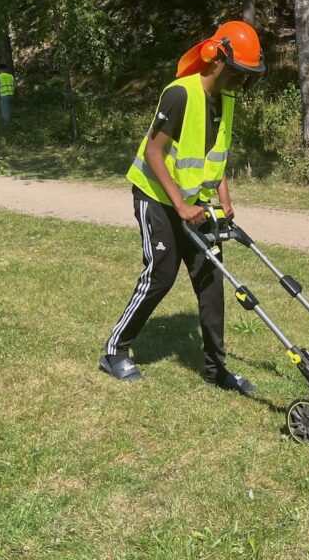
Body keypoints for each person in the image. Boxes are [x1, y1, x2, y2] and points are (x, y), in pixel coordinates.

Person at [100, 21, 265, 389]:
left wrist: (225, 199)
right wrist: (179, 206)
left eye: (250, 76)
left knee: (211, 279)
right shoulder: (179, 94)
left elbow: (215, 156)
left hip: (196, 202)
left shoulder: (227, 100)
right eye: (241, 73)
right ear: (218, 59)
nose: (244, 82)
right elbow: (152, 152)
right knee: (161, 274)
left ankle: (215, 370)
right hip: (156, 196)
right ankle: (115, 349)